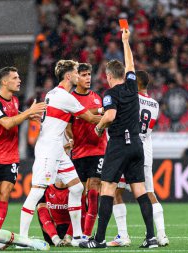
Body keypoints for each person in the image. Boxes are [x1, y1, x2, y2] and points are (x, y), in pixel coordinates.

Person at [79, 28, 158, 249]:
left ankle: (99, 239)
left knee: (107, 189)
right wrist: (126, 41)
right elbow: (131, 64)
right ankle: (150, 237)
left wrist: (99, 126)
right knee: (140, 190)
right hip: (136, 145)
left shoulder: (109, 94)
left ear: (109, 76)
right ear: (124, 75)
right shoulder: (132, 87)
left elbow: (111, 115)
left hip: (118, 145)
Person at [19, 60, 101, 247]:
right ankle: (22, 238)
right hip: (48, 149)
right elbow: (89, 118)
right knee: (37, 191)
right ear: (68, 76)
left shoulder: (52, 93)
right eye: (76, 72)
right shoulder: (66, 97)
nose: (79, 76)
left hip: (57, 149)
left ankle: (78, 236)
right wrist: (112, 115)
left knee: (77, 188)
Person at [108, 70, 169, 247]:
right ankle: (162, 234)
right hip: (145, 150)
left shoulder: (129, 99)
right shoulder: (155, 105)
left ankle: (123, 235)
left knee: (116, 191)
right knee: (149, 192)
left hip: (126, 146)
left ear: (136, 84)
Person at [0, 66, 46, 229]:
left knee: (3, 197)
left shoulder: (14, 100)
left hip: (11, 158)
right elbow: (7, 123)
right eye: (15, 78)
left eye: (19, 77)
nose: (19, 81)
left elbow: (13, 114)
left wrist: (29, 115)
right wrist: (27, 112)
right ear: (4, 82)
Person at [65, 63, 107, 237]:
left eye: (89, 74)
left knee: (95, 187)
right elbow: (68, 123)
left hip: (98, 149)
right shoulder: (69, 99)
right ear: (76, 78)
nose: (88, 78)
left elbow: (104, 118)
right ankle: (73, 232)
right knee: (78, 191)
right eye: (83, 75)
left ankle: (87, 234)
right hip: (80, 151)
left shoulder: (97, 97)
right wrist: (70, 137)